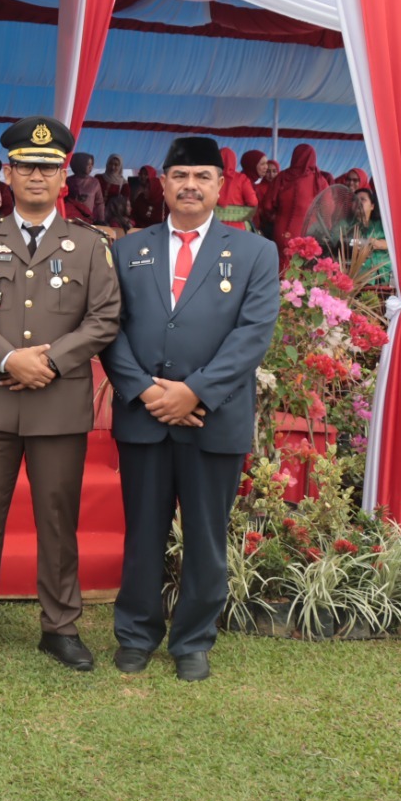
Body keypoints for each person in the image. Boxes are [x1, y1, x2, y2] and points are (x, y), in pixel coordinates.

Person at [0, 115, 121, 671]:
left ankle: (60, 626)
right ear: (8, 174)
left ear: (64, 177)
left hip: (58, 401)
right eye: (25, 166)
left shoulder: (90, 244)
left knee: (58, 519)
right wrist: (8, 358)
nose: (36, 175)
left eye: (48, 167)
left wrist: (51, 361)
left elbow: (105, 316)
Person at [102, 136, 280, 682]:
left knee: (206, 536)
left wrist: (193, 392)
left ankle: (194, 640)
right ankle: (136, 633)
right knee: (143, 533)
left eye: (203, 176)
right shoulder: (127, 249)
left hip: (214, 418)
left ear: (220, 186)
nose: (190, 186)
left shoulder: (255, 252)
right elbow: (107, 328)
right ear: (163, 183)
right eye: (180, 175)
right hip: (144, 416)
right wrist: (149, 392)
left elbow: (253, 336)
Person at [263, 143, 330, 247]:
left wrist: (275, 217)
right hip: (307, 231)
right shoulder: (319, 180)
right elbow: (328, 209)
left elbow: (267, 205)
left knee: (281, 259)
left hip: (280, 229)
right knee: (301, 260)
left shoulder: (281, 177)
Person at [346, 188, 392, 283]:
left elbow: (399, 245)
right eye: (355, 200)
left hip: (387, 277)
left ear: (372, 206)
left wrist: (380, 244)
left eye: (363, 199)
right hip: (359, 281)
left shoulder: (383, 225)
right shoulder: (345, 226)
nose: (358, 202)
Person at [215, 147, 259, 230]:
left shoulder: (210, 178)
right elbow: (253, 202)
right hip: (237, 227)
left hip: (214, 226)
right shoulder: (241, 179)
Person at [64, 152, 104, 224]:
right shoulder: (68, 181)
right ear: (80, 164)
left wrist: (101, 220)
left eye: (92, 164)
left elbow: (99, 203)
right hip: (71, 219)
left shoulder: (95, 182)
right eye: (88, 164)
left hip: (88, 219)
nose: (90, 167)